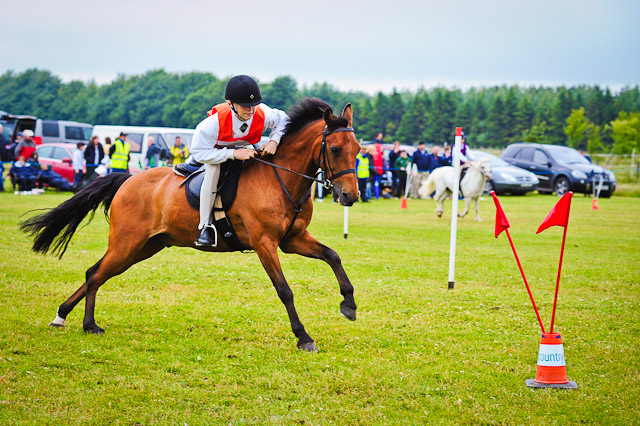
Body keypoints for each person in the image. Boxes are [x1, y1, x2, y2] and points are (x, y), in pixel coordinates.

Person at [190, 75, 289, 247]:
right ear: (230, 103)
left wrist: (274, 140)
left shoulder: (262, 112)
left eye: (254, 105)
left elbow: (284, 119)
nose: (251, 110)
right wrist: (233, 154)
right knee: (213, 174)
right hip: (215, 152)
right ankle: (205, 227)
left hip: (247, 148)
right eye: (245, 106)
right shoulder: (212, 123)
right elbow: (199, 153)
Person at [371, 133, 384, 199]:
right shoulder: (376, 145)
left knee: (377, 183)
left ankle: (377, 194)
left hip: (379, 169)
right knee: (374, 183)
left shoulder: (380, 155)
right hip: (375, 170)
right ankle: (374, 194)